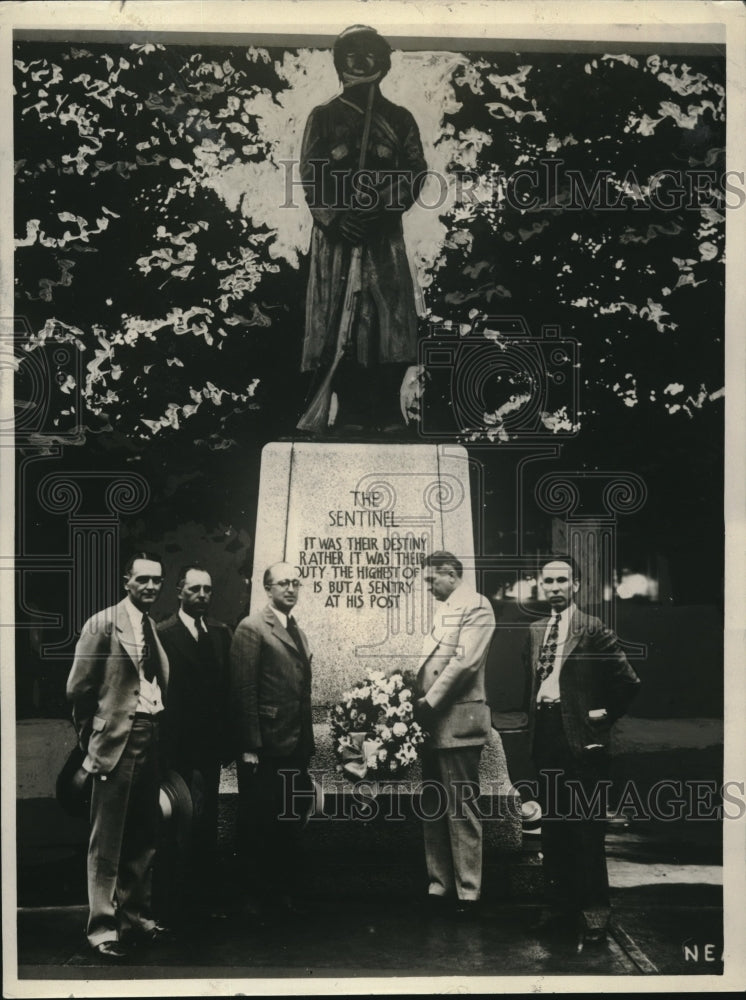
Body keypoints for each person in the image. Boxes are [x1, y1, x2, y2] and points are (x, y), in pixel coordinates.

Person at [299, 24, 427, 432]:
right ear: (339, 61)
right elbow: (311, 173)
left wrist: (384, 210)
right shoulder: (323, 117)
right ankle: (349, 410)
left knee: (388, 319)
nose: (359, 59)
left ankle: (387, 411)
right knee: (339, 321)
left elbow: (414, 171)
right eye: (350, 52)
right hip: (338, 239)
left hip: (381, 235)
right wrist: (336, 218)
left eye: (369, 51)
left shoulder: (400, 119)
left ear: (383, 62)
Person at [526, 557, 641, 949]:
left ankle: (594, 914)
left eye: (563, 580)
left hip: (583, 741)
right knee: (554, 827)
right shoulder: (536, 629)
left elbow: (627, 681)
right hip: (546, 735)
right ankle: (558, 909)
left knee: (586, 830)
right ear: (541, 586)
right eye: (549, 581)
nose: (555, 587)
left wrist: (602, 716)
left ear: (576, 585)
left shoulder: (592, 628)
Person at [65, 552, 170, 961]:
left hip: (150, 734)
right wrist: (93, 737)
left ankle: (136, 918)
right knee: (106, 840)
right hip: (116, 741)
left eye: (157, 581)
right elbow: (78, 688)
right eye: (142, 579)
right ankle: (102, 929)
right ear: (127, 581)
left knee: (144, 832)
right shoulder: (103, 622)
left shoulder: (152, 627)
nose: (150, 587)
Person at [229, 562, 315, 917]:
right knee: (258, 824)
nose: (291, 589)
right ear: (267, 589)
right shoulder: (252, 628)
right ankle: (254, 900)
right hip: (264, 747)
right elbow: (243, 689)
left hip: (294, 745)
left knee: (287, 822)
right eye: (283, 583)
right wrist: (249, 746)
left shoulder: (295, 629)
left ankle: (283, 896)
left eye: (296, 582)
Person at [413, 551, 495, 916]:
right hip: (432, 724)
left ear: (450, 574)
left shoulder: (477, 606)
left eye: (432, 580)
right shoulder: (447, 607)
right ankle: (439, 885)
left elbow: (464, 662)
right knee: (434, 805)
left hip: (457, 721)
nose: (428, 587)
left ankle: (468, 892)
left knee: (462, 807)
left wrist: (427, 702)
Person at [157, 564, 232, 910]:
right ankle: (173, 897)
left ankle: (204, 896)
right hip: (175, 746)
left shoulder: (220, 633)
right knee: (176, 818)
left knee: (207, 816)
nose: (202, 596)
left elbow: (227, 690)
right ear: (179, 592)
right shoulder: (163, 633)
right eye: (194, 589)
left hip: (210, 746)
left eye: (207, 589)